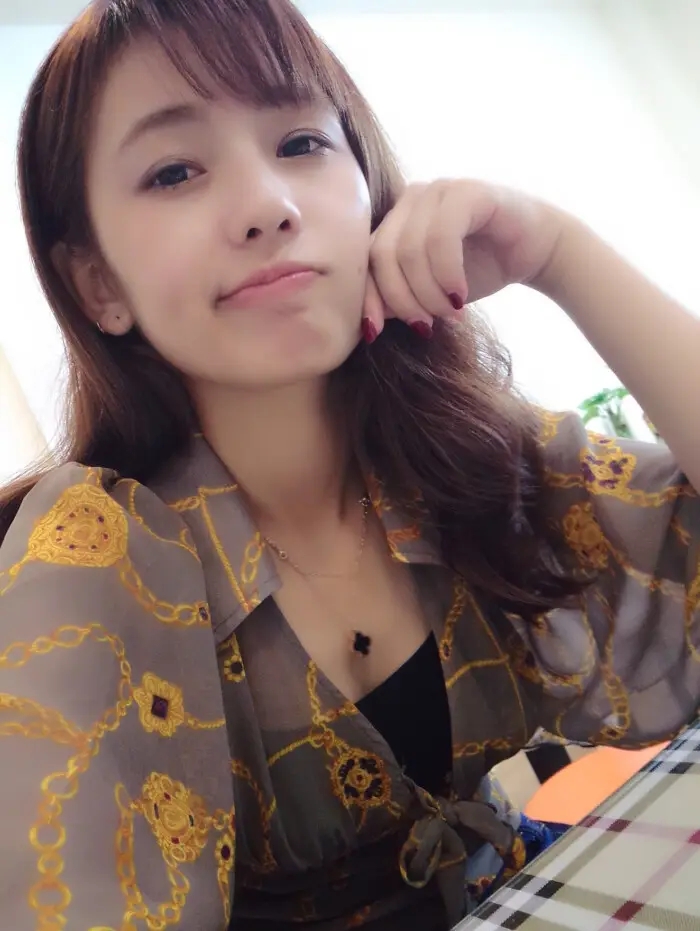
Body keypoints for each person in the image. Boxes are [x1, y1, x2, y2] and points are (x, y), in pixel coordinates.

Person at [1, 0, 698, 928]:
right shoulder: (90, 557)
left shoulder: (469, 466)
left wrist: (559, 254)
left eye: (300, 142)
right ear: (97, 284)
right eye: (174, 171)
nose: (268, 205)